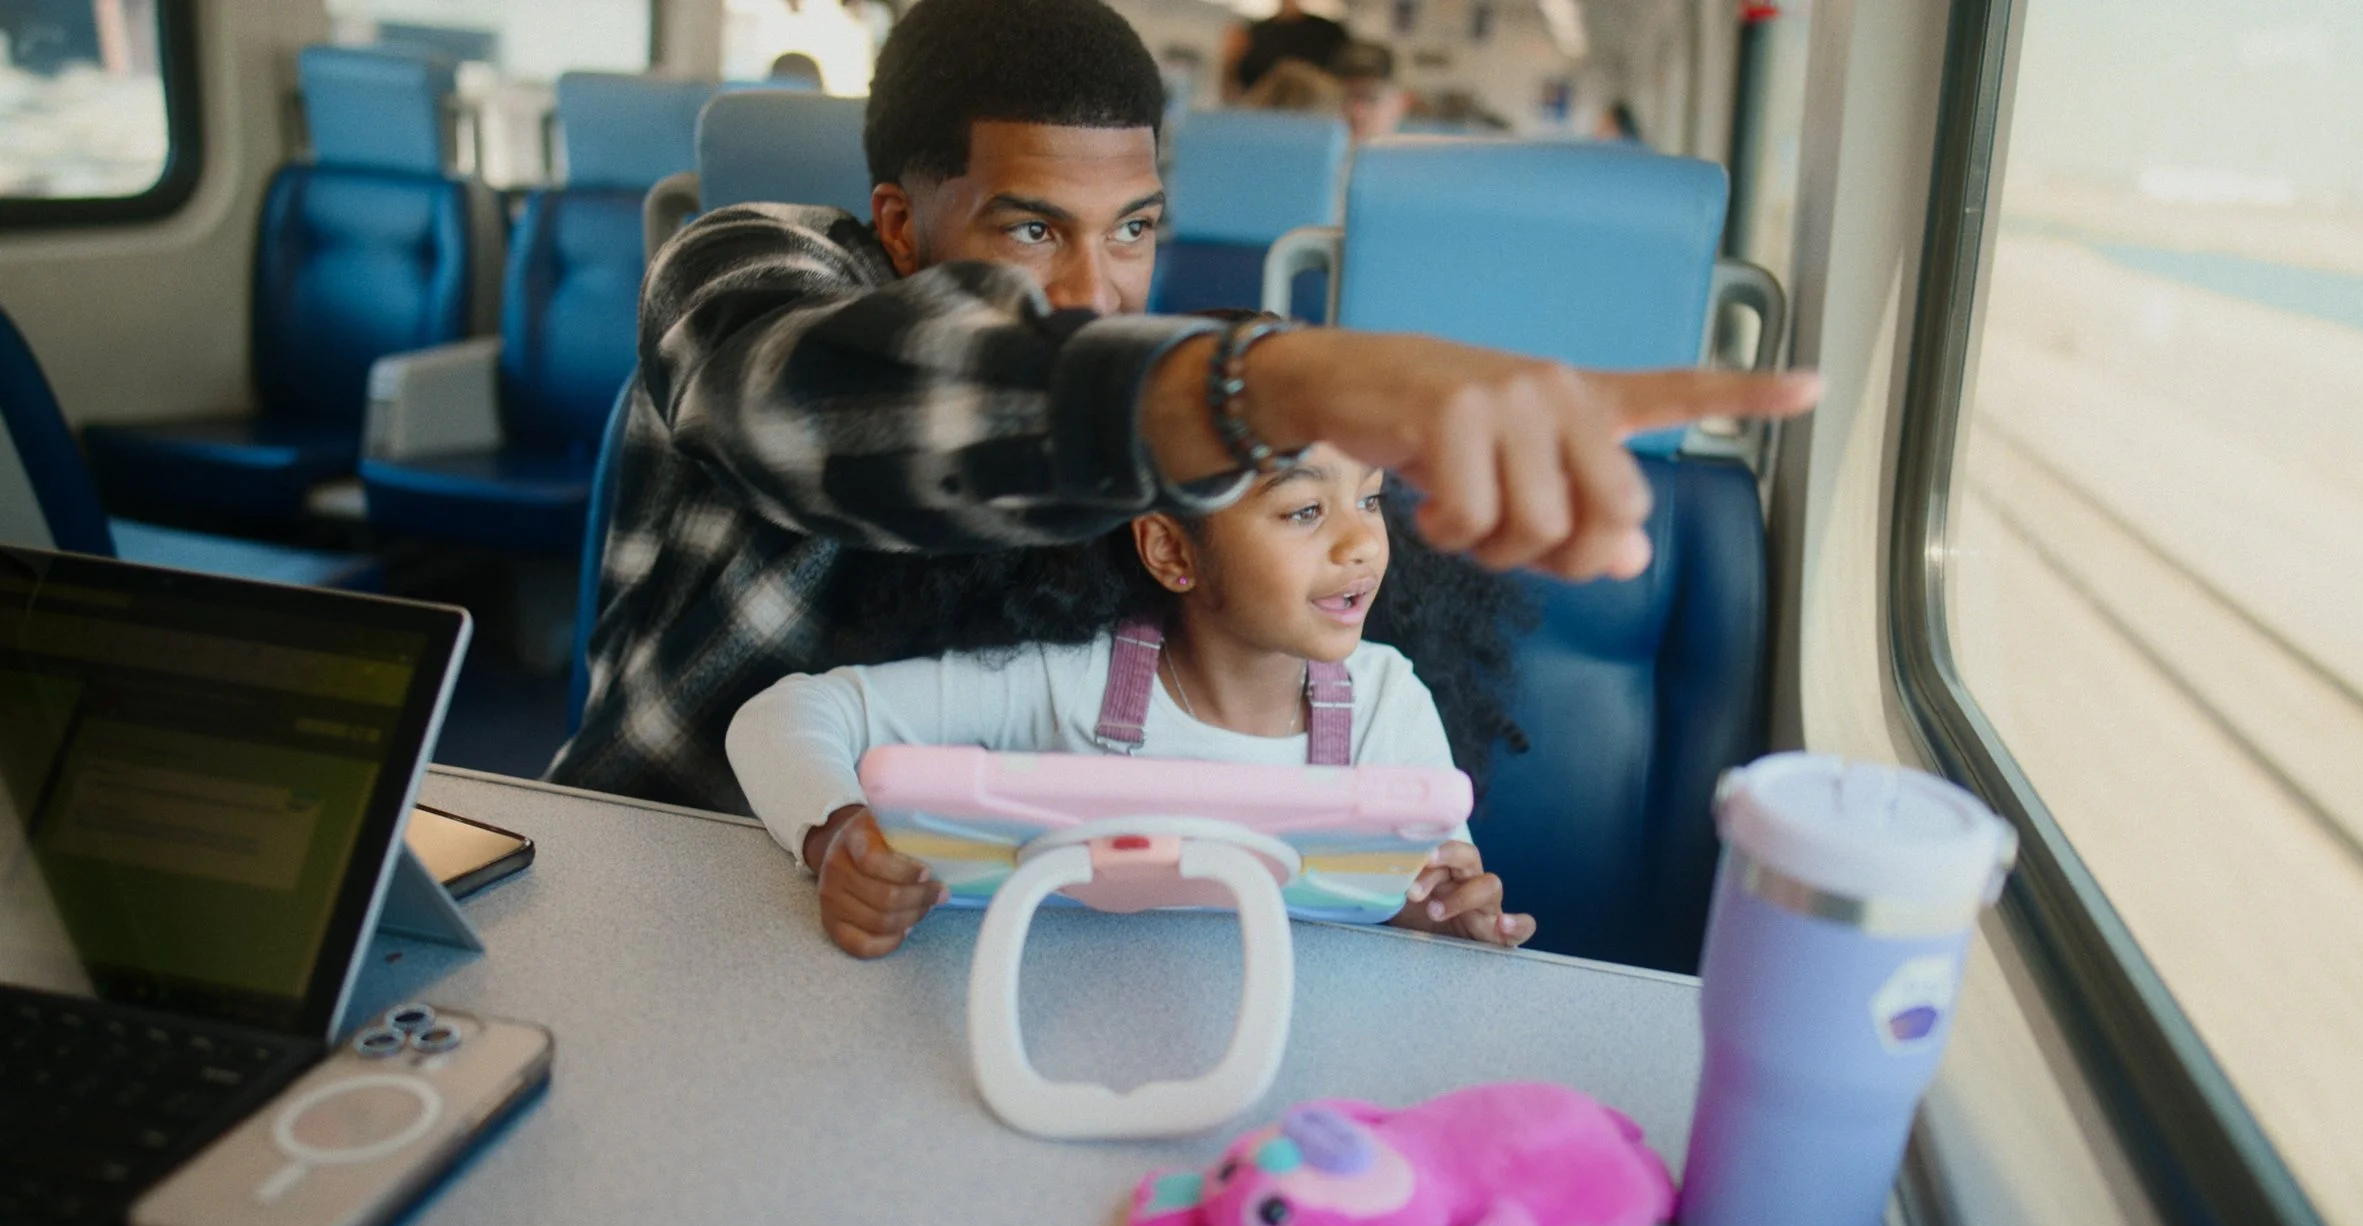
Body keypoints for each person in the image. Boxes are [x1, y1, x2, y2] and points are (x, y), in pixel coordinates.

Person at [547, 0, 1816, 817]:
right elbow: (804, 410)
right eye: (1032, 228)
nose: (1093, 291)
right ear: (899, 222)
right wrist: (1272, 381)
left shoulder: (1153, 435)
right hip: (672, 856)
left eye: (1136, 229)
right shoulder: (744, 264)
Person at [729, 446, 1534, 957]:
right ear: (1171, 550)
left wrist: (1436, 920)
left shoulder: (1387, 704)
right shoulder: (1066, 679)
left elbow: (1414, 901)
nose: (1363, 542)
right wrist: (839, 839)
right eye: (1304, 510)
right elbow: (784, 715)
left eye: (1370, 498)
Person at [1220, 0, 1349, 104]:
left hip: (1315, 111)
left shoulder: (1328, 32)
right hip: (1265, 116)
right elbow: (1233, 90)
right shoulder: (1254, 34)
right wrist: (1230, 63)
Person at [1332, 40, 1408, 141]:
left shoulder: (1421, 152)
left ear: (1400, 104)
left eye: (1371, 99)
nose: (1357, 114)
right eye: (1346, 99)